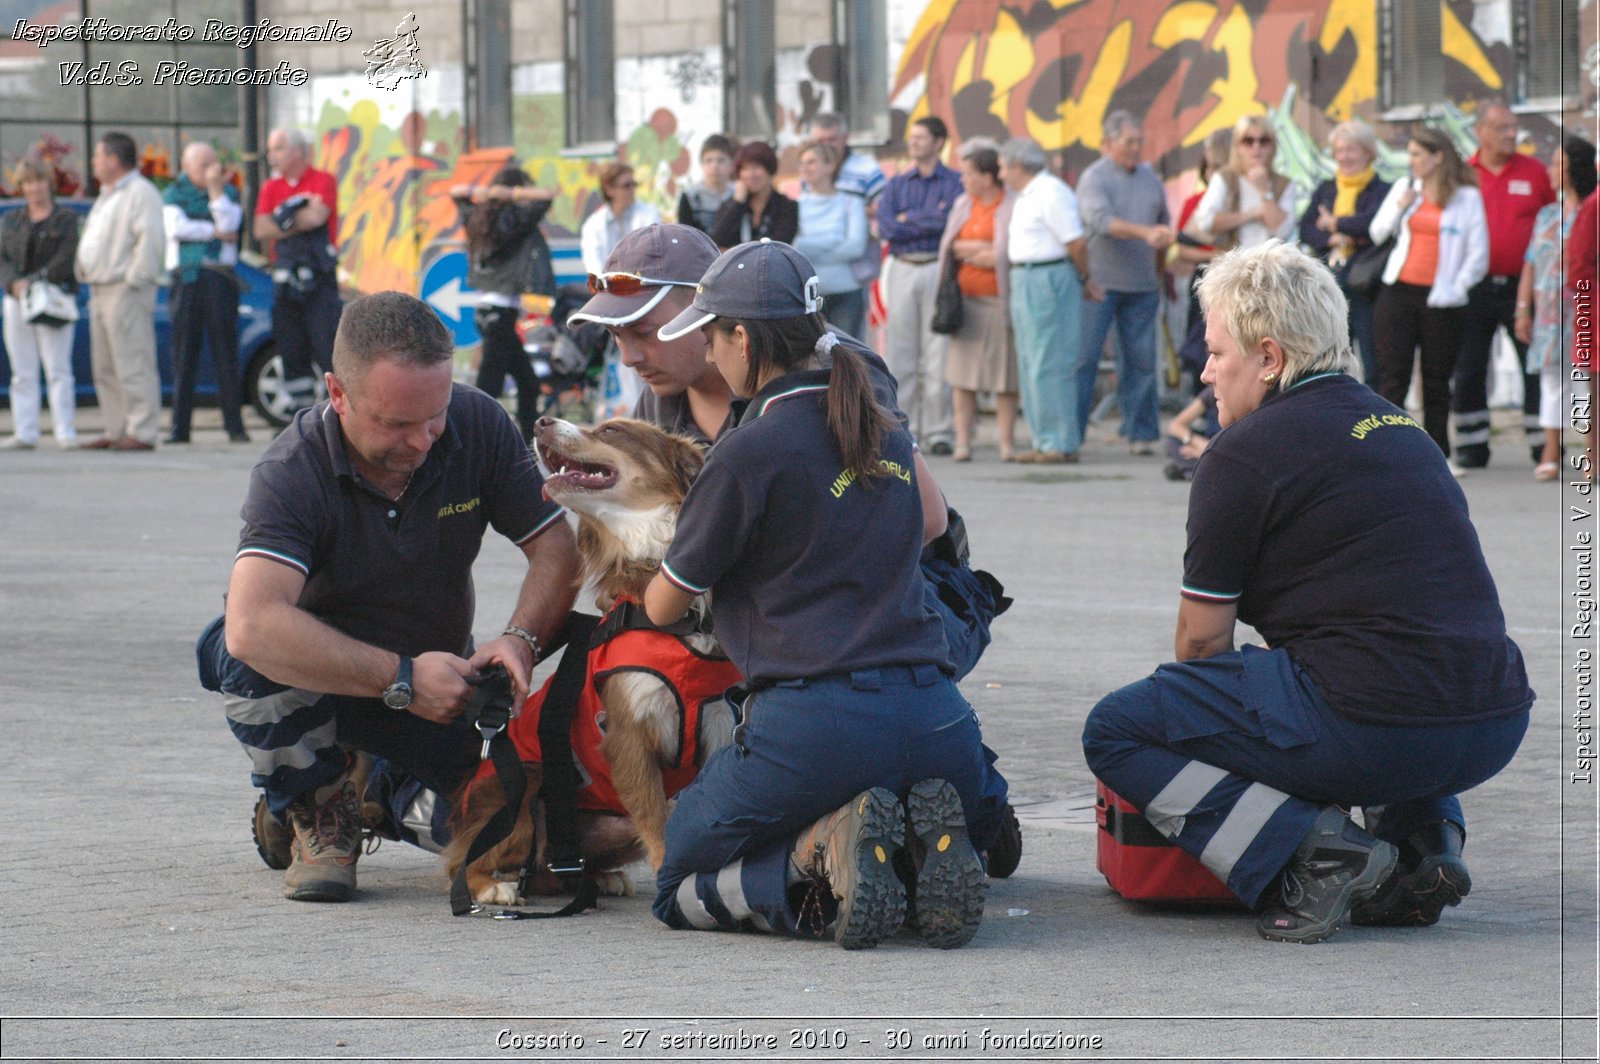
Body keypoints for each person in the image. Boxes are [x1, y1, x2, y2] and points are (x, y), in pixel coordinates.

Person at [1082, 240, 1532, 944]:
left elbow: (1202, 642)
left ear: (1268, 357)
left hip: (1376, 726)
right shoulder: (1399, 424)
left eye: (1216, 354)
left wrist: (1235, 763)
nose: (1205, 375)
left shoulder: (1241, 453)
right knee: (1370, 667)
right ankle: (1427, 847)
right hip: (1493, 720)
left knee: (1118, 728)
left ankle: (1313, 853)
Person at [572, 224, 1018, 872]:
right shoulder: (661, 405)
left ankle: (923, 808)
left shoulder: (839, 381)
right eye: (616, 336)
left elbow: (926, 523)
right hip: (875, 651)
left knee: (692, 865)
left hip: (904, 611)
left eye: (645, 328)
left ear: (720, 324)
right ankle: (943, 803)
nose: (631, 351)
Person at [196, 291, 580, 903]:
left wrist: (522, 640)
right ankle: (313, 802)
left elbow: (559, 550)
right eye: (398, 424)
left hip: (437, 691)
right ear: (338, 393)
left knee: (528, 842)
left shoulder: (478, 423)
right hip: (324, 686)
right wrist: (400, 677)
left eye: (435, 416)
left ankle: (378, 793)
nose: (424, 440)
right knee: (237, 653)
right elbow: (253, 624)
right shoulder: (293, 470)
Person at [1369, 126, 1489, 463]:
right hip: (1398, 293)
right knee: (1394, 378)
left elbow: (1478, 255)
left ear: (1438, 157)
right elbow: (1377, 233)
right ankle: (1388, 453)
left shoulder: (1466, 196)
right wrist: (1400, 207)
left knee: (1436, 382)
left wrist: (1457, 287)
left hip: (1443, 301)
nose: (1412, 161)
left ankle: (1437, 455)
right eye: (1410, 154)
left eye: (1418, 154)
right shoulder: (1405, 188)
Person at [1452, 102, 1556, 469]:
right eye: (1501, 128)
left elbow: (1553, 222)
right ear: (1480, 131)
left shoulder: (1535, 171)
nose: (1511, 134)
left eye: (1514, 128)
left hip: (1523, 288)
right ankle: (1471, 444)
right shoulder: (1464, 174)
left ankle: (1540, 443)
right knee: (1469, 364)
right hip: (1474, 285)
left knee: (1533, 363)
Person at [1075, 111, 1175, 454]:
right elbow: (1101, 222)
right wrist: (1146, 232)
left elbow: (1164, 226)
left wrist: (1159, 274)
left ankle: (1142, 434)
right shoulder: (1094, 178)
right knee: (1084, 359)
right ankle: (1070, 437)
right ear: (1107, 143)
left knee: (1142, 361)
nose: (1135, 148)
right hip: (1099, 284)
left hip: (1143, 284)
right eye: (1128, 142)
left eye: (1139, 142)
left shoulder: (1150, 179)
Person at [451, 164, 558, 443]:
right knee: (489, 385)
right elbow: (545, 196)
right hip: (500, 314)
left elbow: (456, 193)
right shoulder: (515, 220)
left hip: (489, 311)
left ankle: (528, 442)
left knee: (527, 382)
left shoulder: (475, 216)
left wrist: (487, 192)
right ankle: (471, 439)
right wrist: (512, 193)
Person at [877, 116, 963, 455]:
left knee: (938, 352)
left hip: (937, 268)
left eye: (921, 137)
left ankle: (940, 430)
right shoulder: (896, 185)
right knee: (900, 351)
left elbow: (950, 223)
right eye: (911, 137)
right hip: (902, 268)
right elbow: (887, 227)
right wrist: (925, 219)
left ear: (939, 142)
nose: (913, 143)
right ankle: (903, 427)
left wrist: (907, 219)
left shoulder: (954, 182)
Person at [1000, 136, 1089, 463]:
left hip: (1048, 276)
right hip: (1026, 276)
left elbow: (1076, 242)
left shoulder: (1051, 192)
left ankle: (1059, 442)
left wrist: (1084, 277)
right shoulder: (1028, 194)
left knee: (1049, 362)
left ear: (1017, 165)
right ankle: (1043, 439)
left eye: (1002, 166)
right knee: (1030, 361)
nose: (1000, 174)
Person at [74, 131, 165, 451]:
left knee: (132, 360)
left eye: (98, 156)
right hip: (99, 288)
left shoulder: (140, 193)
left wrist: (134, 280)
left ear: (114, 160)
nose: (94, 162)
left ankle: (141, 429)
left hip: (124, 290)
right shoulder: (108, 193)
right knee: (106, 365)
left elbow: (150, 238)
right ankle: (115, 428)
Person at [1515, 136, 1595, 481]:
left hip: (1582, 305)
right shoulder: (1547, 214)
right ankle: (1551, 451)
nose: (1549, 171)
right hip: (1548, 311)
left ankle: (1592, 453)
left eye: (1557, 164)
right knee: (1552, 381)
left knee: (1586, 382)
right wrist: (1523, 308)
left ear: (1574, 168)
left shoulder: (1592, 208)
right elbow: (1530, 263)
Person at [936, 138, 1019, 462]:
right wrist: (979, 251)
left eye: (968, 173)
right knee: (962, 378)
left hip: (999, 302)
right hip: (965, 303)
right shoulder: (962, 204)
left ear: (987, 176)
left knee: (1004, 379)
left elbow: (1007, 250)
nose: (962, 179)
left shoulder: (1010, 205)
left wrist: (984, 253)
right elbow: (953, 246)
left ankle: (1006, 444)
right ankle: (963, 442)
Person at [163, 142, 249, 445]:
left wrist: (215, 192)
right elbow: (176, 228)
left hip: (220, 280)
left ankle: (235, 427)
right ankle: (179, 428)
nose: (213, 171)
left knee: (226, 354)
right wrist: (212, 231)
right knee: (184, 356)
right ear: (187, 168)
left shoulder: (228, 192)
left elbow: (229, 222)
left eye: (215, 164)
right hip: (187, 280)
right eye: (205, 166)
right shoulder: (174, 193)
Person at [254, 128, 341, 415]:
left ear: (298, 151)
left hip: (319, 281)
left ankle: (340, 415)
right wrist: (296, 218)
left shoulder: (322, 180)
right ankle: (299, 416)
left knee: (327, 346)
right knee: (291, 349)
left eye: (277, 148)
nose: (271, 156)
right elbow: (260, 228)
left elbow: (318, 217)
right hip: (286, 281)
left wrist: (282, 218)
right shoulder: (270, 187)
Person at [1297, 120, 1390, 386]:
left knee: (1373, 363)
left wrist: (1332, 222)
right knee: (1331, 360)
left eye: (1352, 150)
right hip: (1331, 285)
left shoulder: (1382, 190)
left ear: (1368, 152)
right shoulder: (1326, 189)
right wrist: (1340, 236)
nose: (1344, 157)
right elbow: (1306, 229)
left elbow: (1373, 226)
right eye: (1339, 150)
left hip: (1366, 287)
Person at [0, 156, 80, 450]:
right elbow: (3, 259)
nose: (35, 188)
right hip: (17, 301)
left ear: (49, 183)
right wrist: (14, 284)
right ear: (21, 186)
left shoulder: (65, 219)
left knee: (57, 367)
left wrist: (35, 281)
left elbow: (66, 256)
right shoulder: (13, 220)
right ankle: (26, 430)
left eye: (40, 181)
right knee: (22, 370)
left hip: (53, 299)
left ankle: (65, 430)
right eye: (29, 182)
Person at [793, 141, 870, 339]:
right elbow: (796, 247)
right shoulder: (795, 206)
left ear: (830, 165)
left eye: (811, 162)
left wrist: (811, 246)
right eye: (802, 163)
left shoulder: (852, 202)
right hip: (808, 295)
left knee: (849, 353)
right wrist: (835, 241)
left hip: (847, 292)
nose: (805, 168)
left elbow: (855, 247)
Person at [808, 112, 886, 300]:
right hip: (818, 265)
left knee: (849, 328)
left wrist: (849, 212)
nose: (826, 146)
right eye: (820, 141)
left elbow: (886, 209)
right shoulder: (809, 169)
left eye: (832, 139)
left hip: (853, 266)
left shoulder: (867, 169)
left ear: (846, 138)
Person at [1190, 114, 1296, 252]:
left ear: (1273, 146)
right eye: (1248, 141)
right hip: (1232, 263)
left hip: (1272, 265)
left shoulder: (1284, 183)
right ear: (1238, 146)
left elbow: (1282, 231)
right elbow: (1205, 221)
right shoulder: (1225, 177)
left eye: (1263, 141)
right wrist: (1251, 215)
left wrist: (1264, 191)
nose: (1256, 147)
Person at [709, 141, 797, 249]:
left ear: (770, 170)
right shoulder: (731, 204)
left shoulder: (786, 206)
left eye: (756, 167)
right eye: (745, 168)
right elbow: (717, 240)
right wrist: (737, 203)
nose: (750, 174)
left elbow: (780, 244)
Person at [580, 162, 661, 277]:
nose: (633, 190)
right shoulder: (592, 225)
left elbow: (650, 255)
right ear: (609, 189)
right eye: (627, 185)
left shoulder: (649, 213)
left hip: (643, 286)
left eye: (634, 184)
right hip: (608, 289)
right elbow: (594, 267)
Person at [676, 134, 737, 234]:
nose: (714, 166)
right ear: (701, 164)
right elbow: (684, 236)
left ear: (731, 164)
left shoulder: (738, 194)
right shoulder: (690, 196)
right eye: (708, 160)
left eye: (721, 160)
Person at [1160, 385, 1219, 482]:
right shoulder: (1211, 392)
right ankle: (1201, 469)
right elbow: (1175, 425)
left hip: (1225, 448)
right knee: (1172, 442)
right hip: (1207, 445)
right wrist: (1199, 444)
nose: (1205, 377)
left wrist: (1207, 451)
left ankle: (1193, 469)